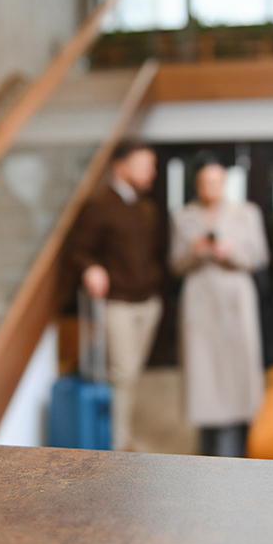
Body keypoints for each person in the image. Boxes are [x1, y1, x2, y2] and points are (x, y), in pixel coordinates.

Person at [66, 139, 165, 452]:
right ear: (121, 165)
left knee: (131, 375)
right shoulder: (98, 204)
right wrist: (91, 267)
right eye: (145, 164)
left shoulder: (146, 207)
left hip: (148, 304)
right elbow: (78, 250)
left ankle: (123, 437)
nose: (153, 171)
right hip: (117, 305)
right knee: (122, 375)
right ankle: (117, 444)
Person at [170, 159, 269, 457]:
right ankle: (207, 447)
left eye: (216, 182)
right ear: (197, 185)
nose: (210, 188)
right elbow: (175, 264)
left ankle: (235, 447)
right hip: (200, 302)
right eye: (204, 183)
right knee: (203, 374)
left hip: (236, 301)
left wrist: (231, 251)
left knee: (236, 371)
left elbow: (259, 256)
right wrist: (195, 251)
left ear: (225, 182)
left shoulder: (246, 213)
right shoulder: (183, 217)